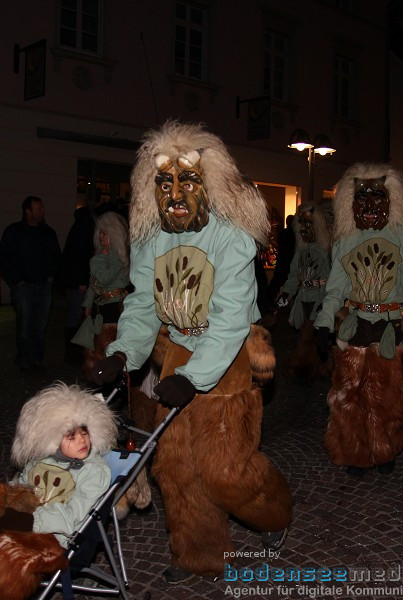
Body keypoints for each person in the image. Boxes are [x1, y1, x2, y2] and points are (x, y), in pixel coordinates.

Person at [89, 121, 292, 583]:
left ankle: (275, 514)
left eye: (188, 181)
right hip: (178, 355)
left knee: (224, 470)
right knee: (176, 468)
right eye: (164, 182)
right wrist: (123, 354)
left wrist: (195, 377)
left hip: (227, 361)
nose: (175, 193)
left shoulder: (231, 237)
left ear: (210, 185)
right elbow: (142, 305)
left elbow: (230, 317)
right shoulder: (148, 238)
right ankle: (199, 554)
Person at [313, 163, 403, 477]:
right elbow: (335, 288)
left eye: (377, 198)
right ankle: (355, 452)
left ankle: (385, 448)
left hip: (389, 327)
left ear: (390, 201)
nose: (368, 206)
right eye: (361, 199)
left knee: (389, 396)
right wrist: (324, 322)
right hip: (355, 325)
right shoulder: (344, 241)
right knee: (348, 396)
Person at [0, 382, 117, 550]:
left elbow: (73, 516)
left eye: (85, 433)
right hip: (27, 530)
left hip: (58, 541)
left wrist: (31, 521)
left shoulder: (94, 471)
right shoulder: (40, 462)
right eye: (71, 436)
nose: (82, 440)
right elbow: (19, 487)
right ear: (52, 438)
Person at [0, 196, 61, 372]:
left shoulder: (48, 233)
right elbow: (4, 258)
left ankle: (37, 358)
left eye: (42, 208)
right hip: (23, 286)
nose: (43, 211)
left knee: (40, 325)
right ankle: (24, 358)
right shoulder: (14, 232)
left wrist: (51, 276)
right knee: (24, 324)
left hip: (43, 285)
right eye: (39, 209)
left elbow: (56, 257)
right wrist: (16, 281)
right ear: (28, 211)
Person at [277, 201, 331, 379]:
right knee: (305, 332)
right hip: (303, 298)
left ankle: (305, 367)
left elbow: (332, 279)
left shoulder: (326, 251)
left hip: (319, 298)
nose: (304, 227)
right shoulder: (301, 251)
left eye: (308, 223)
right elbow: (294, 275)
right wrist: (287, 293)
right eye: (302, 223)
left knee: (309, 334)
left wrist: (327, 301)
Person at [79, 210, 130, 380]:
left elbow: (106, 278)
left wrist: (99, 261)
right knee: (96, 346)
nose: (101, 236)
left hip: (116, 308)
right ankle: (99, 375)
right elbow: (94, 283)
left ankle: (114, 376)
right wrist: (87, 304)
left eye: (105, 232)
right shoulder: (100, 258)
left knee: (113, 344)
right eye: (99, 232)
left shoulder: (117, 258)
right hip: (99, 308)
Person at [54, 204, 95, 364]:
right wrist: (82, 281)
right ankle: (73, 353)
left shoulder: (78, 228)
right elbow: (81, 257)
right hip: (77, 282)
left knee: (74, 316)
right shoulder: (84, 229)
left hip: (73, 281)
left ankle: (73, 353)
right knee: (76, 316)